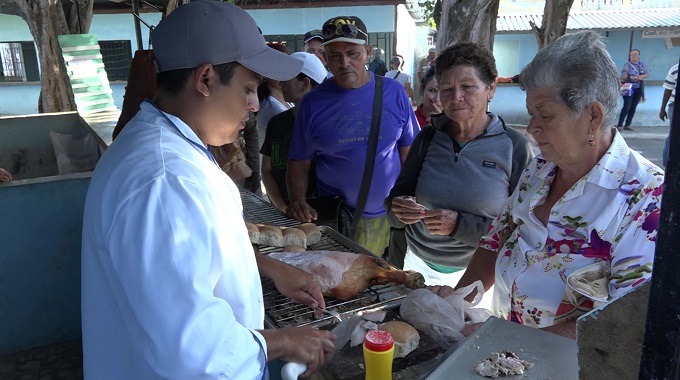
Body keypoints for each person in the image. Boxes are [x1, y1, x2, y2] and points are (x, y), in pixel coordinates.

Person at [80, 1, 335, 378]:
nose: (253, 105)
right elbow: (192, 349)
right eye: (249, 88)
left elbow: (189, 256)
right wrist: (281, 341)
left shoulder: (161, 145)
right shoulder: (166, 181)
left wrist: (265, 266)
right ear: (205, 79)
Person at [432, 31, 664, 339]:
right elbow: (496, 240)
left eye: (546, 115)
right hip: (502, 349)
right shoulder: (541, 167)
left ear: (593, 116)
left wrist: (510, 339)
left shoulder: (646, 196)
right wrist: (457, 303)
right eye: (531, 114)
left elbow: (624, 320)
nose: (531, 129)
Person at [385, 42, 532, 291]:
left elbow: (523, 229)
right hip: (415, 266)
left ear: (491, 88)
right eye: (447, 88)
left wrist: (460, 226)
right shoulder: (428, 138)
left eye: (467, 87)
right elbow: (394, 203)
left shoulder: (513, 146)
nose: (456, 97)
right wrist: (400, 209)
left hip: (479, 275)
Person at [286, 15, 418, 256]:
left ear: (367, 52)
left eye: (352, 53)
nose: (344, 62)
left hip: (390, 218)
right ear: (324, 58)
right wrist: (297, 200)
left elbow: (409, 151)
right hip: (337, 219)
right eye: (334, 55)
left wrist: (410, 197)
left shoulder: (394, 93)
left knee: (386, 284)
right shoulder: (312, 104)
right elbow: (299, 161)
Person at [261, 52, 327, 211]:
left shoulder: (327, 125)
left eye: (286, 80)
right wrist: (283, 207)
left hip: (322, 212)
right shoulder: (277, 123)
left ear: (304, 84)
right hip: (282, 211)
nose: (280, 85)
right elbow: (266, 170)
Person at [256, 42, 294, 145]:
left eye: (288, 65)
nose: (286, 71)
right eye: (279, 66)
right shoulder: (271, 107)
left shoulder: (286, 99)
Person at [617, 49, 648, 131]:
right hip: (629, 88)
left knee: (633, 107)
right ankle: (620, 124)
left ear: (639, 56)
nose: (633, 56)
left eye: (635, 54)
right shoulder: (627, 65)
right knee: (627, 106)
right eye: (632, 54)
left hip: (638, 88)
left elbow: (646, 74)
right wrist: (633, 77)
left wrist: (642, 76)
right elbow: (623, 76)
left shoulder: (641, 64)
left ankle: (627, 124)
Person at [660, 62, 677, 168]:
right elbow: (668, 90)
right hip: (675, 105)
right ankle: (667, 163)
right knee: (674, 134)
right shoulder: (675, 69)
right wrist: (662, 109)